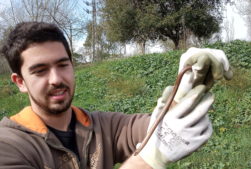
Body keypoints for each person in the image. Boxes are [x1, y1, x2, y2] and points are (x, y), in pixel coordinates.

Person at [0, 22, 232, 169]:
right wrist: (147, 161)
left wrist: (186, 86)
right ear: (20, 82)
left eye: (63, 65)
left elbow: (156, 129)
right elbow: (155, 149)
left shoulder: (102, 126)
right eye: (40, 71)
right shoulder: (8, 146)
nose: (56, 79)